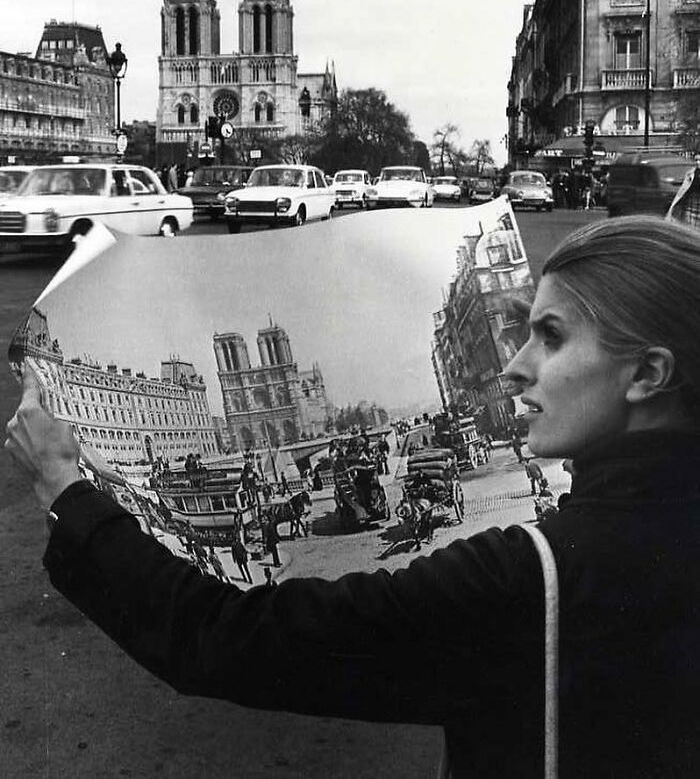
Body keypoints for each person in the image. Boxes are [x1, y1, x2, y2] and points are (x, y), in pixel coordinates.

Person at [8, 215, 700, 777]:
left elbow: (223, 638)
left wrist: (66, 490)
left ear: (647, 372)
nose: (515, 367)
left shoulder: (532, 575)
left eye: (550, 337)